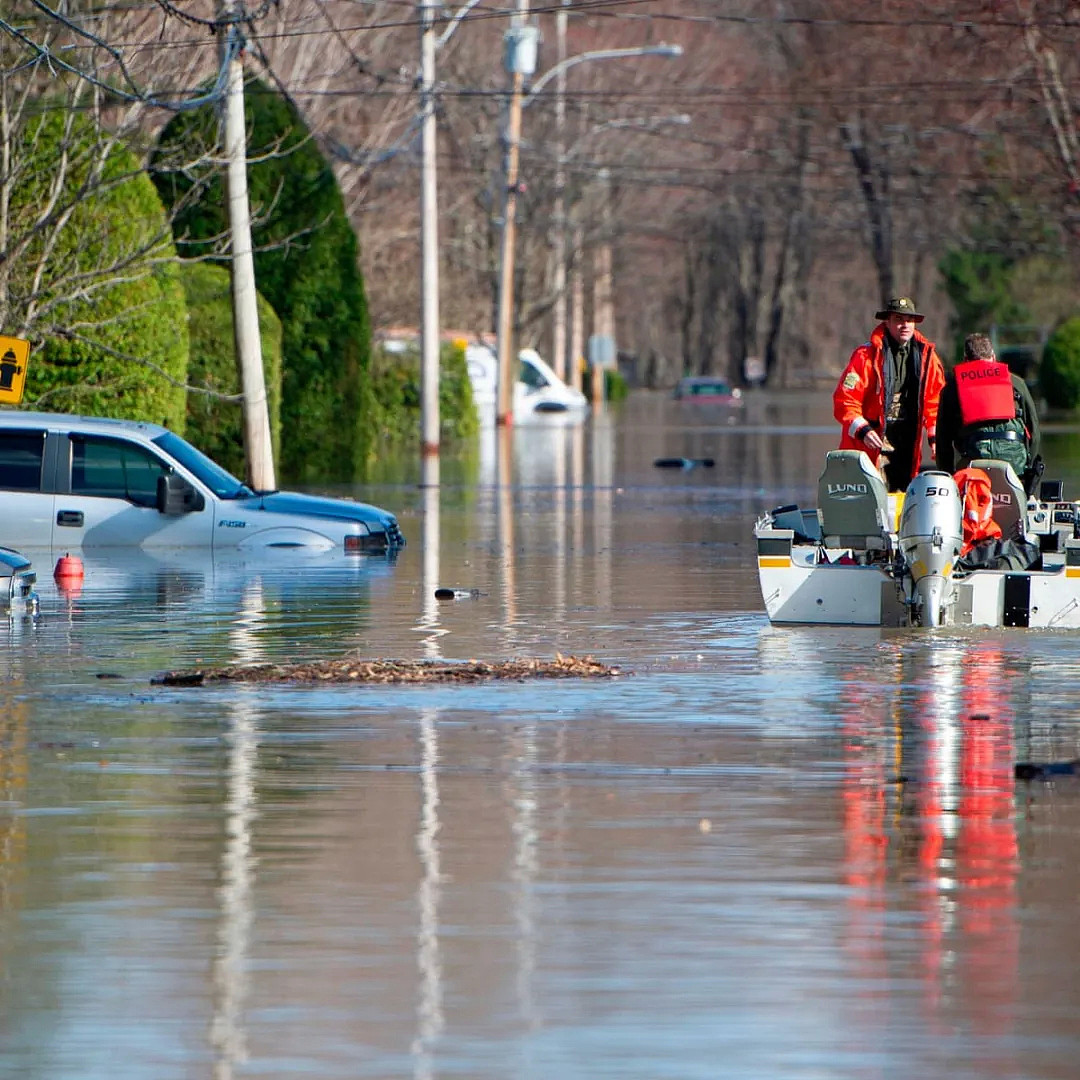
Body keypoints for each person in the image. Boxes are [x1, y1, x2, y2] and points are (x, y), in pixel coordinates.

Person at [833, 296, 946, 492]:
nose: (905, 325)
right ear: (887, 322)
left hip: (907, 440)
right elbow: (845, 401)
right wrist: (863, 430)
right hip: (870, 442)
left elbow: (935, 402)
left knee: (903, 492)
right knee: (872, 496)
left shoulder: (928, 357)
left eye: (909, 320)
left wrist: (936, 438)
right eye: (898, 320)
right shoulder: (866, 356)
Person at [934, 332, 1042, 492]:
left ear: (966, 359)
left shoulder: (952, 388)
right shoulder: (1016, 383)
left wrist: (949, 479)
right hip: (1014, 468)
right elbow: (1034, 432)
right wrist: (1028, 469)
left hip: (973, 466)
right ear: (993, 356)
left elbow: (943, 442)